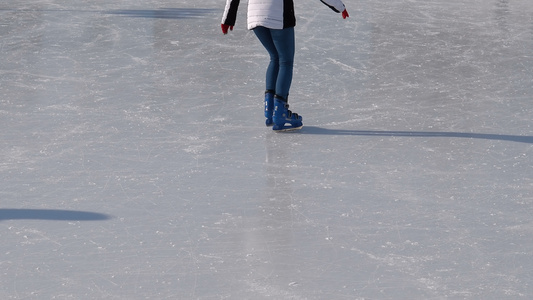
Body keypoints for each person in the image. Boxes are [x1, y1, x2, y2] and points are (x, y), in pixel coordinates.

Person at [221, 0, 349, 131]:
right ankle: (280, 113)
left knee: (275, 57)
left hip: (255, 15)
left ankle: (270, 110)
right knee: (286, 61)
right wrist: (340, 7)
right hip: (278, 13)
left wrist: (228, 18)